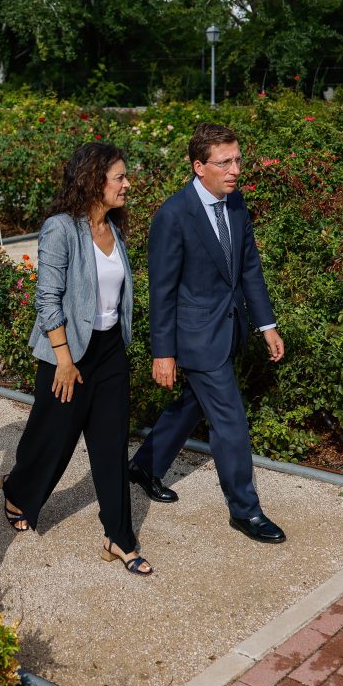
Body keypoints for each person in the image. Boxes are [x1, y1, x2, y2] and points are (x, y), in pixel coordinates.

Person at [128, 122, 288, 544]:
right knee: (231, 421)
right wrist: (163, 353)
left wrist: (266, 324)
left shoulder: (235, 205)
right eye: (225, 162)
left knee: (192, 405)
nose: (235, 169)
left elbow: (249, 269)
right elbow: (161, 291)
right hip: (195, 337)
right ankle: (245, 511)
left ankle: (144, 465)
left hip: (229, 329)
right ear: (199, 167)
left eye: (237, 160)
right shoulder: (174, 215)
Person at [0, 142, 150, 576]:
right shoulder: (61, 228)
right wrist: (64, 361)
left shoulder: (114, 229)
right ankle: (17, 492)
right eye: (119, 177)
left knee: (110, 445)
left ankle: (119, 537)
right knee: (54, 440)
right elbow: (46, 299)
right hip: (67, 353)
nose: (127, 183)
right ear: (93, 180)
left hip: (109, 352)